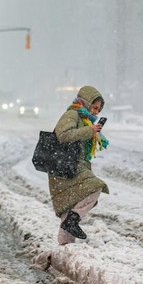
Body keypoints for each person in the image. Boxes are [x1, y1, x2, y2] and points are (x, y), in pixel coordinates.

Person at [50, 86, 110, 245]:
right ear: (86, 102)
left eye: (99, 109)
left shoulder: (85, 119)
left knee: (68, 205)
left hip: (71, 166)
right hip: (66, 166)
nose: (97, 112)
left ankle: (65, 248)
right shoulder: (72, 114)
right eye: (95, 107)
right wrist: (89, 130)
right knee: (95, 186)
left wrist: (90, 129)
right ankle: (73, 219)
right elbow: (63, 135)